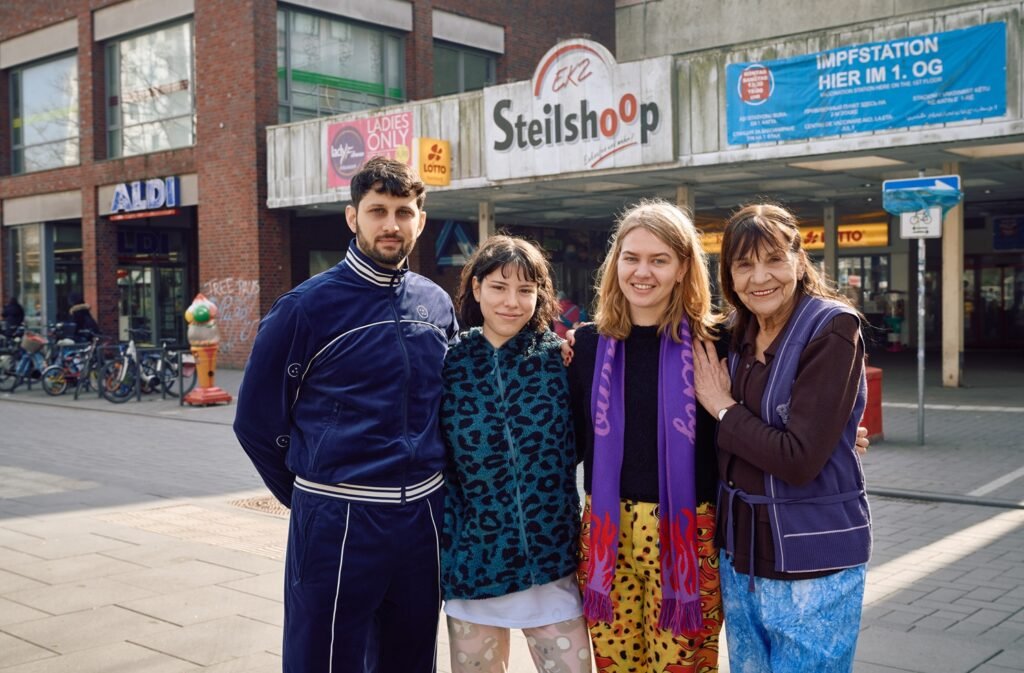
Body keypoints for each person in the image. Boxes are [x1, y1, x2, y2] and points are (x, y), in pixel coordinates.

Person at [234, 157, 459, 673]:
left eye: (404, 212)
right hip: (338, 516)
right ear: (352, 217)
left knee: (411, 658)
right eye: (377, 210)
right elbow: (254, 423)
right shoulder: (305, 309)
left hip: (423, 519)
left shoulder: (436, 302)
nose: (391, 224)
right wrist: (310, 496)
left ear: (420, 220)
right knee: (324, 660)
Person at [692, 203, 871, 673]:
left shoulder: (831, 327)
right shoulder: (734, 331)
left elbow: (797, 460)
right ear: (727, 273)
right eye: (743, 264)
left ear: (798, 258)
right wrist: (571, 347)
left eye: (773, 259)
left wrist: (722, 407)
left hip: (813, 562)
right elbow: (654, 335)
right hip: (740, 557)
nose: (759, 277)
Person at [567, 199, 723, 673]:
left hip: (689, 531)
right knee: (615, 666)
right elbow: (565, 442)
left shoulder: (715, 342)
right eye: (631, 258)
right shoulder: (586, 344)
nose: (642, 272)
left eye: (659, 260)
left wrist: (845, 436)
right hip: (605, 532)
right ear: (615, 264)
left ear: (682, 269)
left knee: (683, 666)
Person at [440, 235, 592, 673]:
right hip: (474, 568)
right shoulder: (448, 364)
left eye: (525, 290)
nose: (512, 302)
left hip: (552, 564)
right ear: (476, 289)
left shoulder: (559, 360)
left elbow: (582, 444)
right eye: (499, 287)